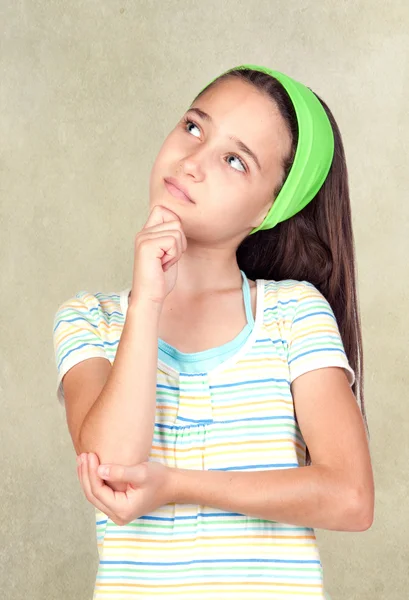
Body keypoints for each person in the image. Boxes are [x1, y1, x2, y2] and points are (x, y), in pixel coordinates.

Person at [52, 64, 374, 599]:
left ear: (271, 207)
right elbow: (112, 466)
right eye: (194, 127)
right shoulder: (91, 319)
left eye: (234, 160)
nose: (192, 162)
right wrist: (148, 299)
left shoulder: (293, 316)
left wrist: (177, 486)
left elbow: (351, 496)